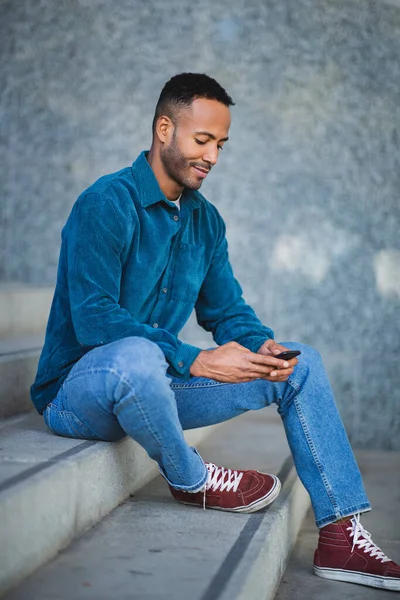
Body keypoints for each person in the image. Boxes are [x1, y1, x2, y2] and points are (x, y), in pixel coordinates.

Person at [31, 72, 400, 592]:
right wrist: (196, 359)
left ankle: (342, 535)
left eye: (221, 144)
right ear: (165, 129)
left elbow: (227, 313)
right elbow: (95, 318)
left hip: (155, 389)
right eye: (202, 139)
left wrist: (261, 345)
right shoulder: (106, 203)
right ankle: (191, 478)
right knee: (137, 353)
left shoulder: (206, 222)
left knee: (302, 362)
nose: (213, 156)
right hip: (80, 393)